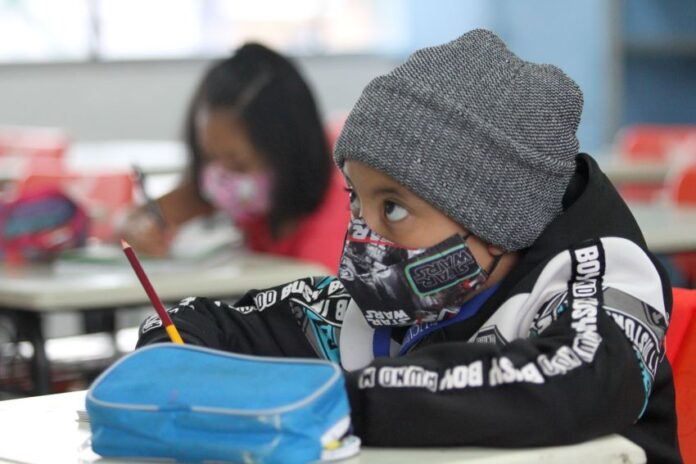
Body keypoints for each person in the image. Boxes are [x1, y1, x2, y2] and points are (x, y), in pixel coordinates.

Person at [136, 30, 681, 462]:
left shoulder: (603, 274)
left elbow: (578, 379)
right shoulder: (387, 296)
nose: (364, 234)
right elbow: (224, 326)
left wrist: (339, 400)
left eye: (392, 208)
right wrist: (172, 348)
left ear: (493, 217)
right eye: (357, 202)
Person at [120, 43, 350, 272]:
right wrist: (137, 226)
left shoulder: (337, 223)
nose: (220, 177)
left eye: (238, 163)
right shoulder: (239, 189)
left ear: (287, 153)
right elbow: (146, 218)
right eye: (209, 158)